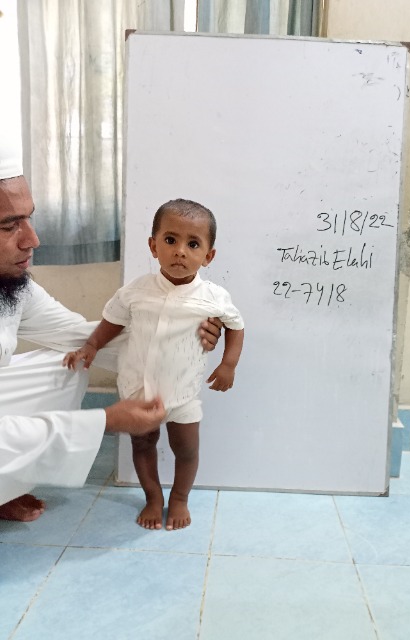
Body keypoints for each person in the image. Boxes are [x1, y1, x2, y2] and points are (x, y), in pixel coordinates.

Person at [0, 170, 222, 523]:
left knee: (70, 362)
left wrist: (185, 334)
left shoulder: (12, 286)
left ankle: (3, 486)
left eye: (30, 219)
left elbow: (80, 336)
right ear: (154, 245)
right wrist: (104, 420)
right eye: (9, 226)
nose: (33, 240)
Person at [64, 199, 244, 531]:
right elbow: (112, 321)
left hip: (184, 394)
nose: (180, 252)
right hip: (138, 391)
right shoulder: (135, 291)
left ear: (208, 256)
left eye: (193, 244)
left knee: (186, 449)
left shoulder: (214, 297)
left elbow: (236, 326)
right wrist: (91, 345)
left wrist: (228, 364)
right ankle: (153, 497)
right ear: (153, 245)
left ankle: (179, 498)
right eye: (170, 240)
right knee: (142, 444)